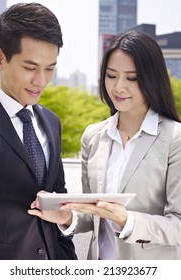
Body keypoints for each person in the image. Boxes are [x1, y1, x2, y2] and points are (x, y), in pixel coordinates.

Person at [29, 30, 181, 260]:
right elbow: (94, 215)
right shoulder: (93, 136)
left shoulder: (174, 138)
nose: (119, 87)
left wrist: (127, 220)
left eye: (132, 78)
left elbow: (178, 225)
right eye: (111, 75)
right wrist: (67, 216)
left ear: (152, 78)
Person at [0, 2, 77, 260]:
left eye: (50, 68)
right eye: (30, 67)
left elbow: (59, 198)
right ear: (0, 58)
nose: (41, 81)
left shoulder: (51, 121)